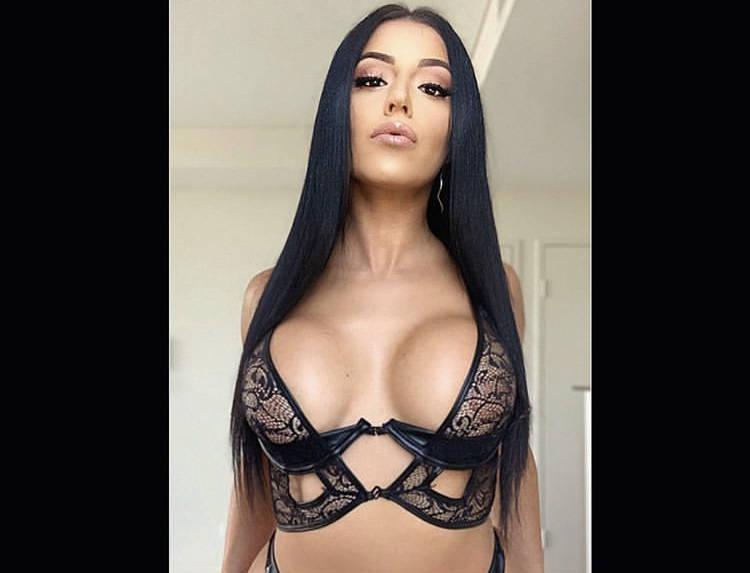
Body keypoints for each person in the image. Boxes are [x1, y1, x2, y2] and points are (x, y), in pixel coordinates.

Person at [222, 4, 543, 573]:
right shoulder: (266, 297)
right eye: (372, 79)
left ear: (458, 129)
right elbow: (254, 484)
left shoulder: (496, 289)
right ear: (337, 110)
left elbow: (515, 472)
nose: (399, 100)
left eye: (433, 88)